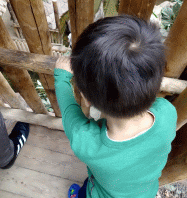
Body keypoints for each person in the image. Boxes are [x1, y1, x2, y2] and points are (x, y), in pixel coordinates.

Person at [54, 15, 177, 198]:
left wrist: (61, 76)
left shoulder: (87, 143)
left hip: (101, 194)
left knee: (87, 190)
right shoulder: (167, 113)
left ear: (87, 99)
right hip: (145, 193)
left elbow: (68, 111)